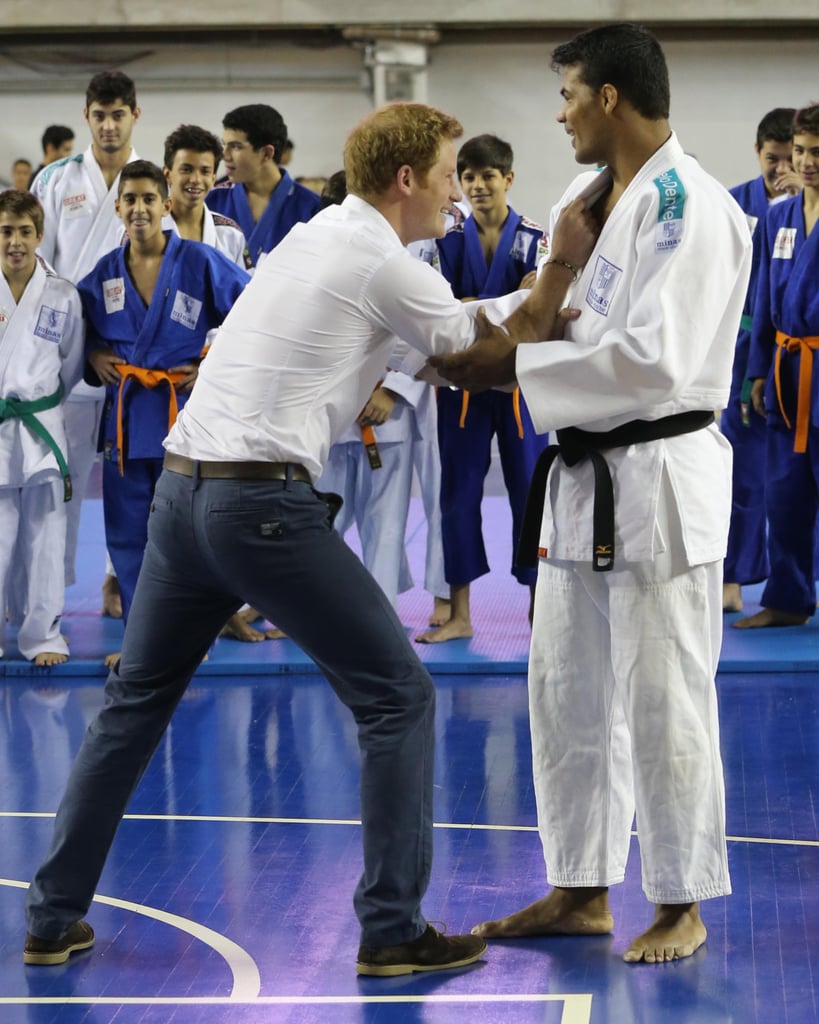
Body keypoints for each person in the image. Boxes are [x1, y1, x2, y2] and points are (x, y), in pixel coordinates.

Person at [22, 101, 555, 976]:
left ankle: (51, 918)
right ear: (407, 179)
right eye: (449, 175)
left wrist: (528, 304)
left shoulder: (317, 238)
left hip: (184, 492)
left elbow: (447, 328)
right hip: (257, 508)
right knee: (399, 698)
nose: (459, 199)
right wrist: (566, 271)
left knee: (132, 708)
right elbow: (474, 347)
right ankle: (391, 929)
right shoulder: (381, 259)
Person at [429, 23, 752, 963]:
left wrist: (515, 368)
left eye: (568, 93)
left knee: (663, 698)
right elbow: (552, 303)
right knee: (565, 692)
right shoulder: (583, 196)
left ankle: (681, 900)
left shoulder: (689, 209)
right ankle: (580, 887)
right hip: (579, 477)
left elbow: (654, 362)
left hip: (655, 480)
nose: (560, 111)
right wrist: (469, 338)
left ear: (609, 96)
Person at [76, 160, 249, 664]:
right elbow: (78, 332)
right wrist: (92, 354)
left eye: (149, 199)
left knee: (189, 534)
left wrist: (213, 362)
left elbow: (252, 309)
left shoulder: (198, 261)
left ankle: (192, 639)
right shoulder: (103, 274)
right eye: (130, 200)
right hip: (126, 424)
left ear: (166, 206)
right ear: (117, 208)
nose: (139, 208)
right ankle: (141, 643)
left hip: (185, 419)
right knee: (129, 536)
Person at [419, 134, 549, 644]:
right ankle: (461, 614)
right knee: (458, 494)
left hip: (521, 387)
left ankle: (542, 610)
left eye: (487, 176)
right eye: (467, 176)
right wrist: (502, 302)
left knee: (531, 494)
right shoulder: (447, 240)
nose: (476, 186)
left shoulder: (536, 237)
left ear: (508, 179)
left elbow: (537, 309)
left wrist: (474, 304)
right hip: (464, 387)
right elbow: (439, 311)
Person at [30, 70, 143, 620]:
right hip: (70, 354)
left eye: (118, 113)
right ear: (86, 117)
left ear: (134, 117)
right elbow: (39, 267)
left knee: (131, 478)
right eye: (99, 114)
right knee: (64, 478)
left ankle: (118, 582)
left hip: (135, 353)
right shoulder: (55, 180)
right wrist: (79, 345)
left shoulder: (149, 179)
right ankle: (50, 592)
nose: (108, 124)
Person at [738, 104, 819, 628]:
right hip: (790, 372)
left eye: (817, 152)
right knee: (784, 493)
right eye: (803, 151)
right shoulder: (778, 218)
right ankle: (788, 599)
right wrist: (756, 373)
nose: (807, 162)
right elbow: (764, 297)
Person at [721, 108, 800, 614]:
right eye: (772, 158)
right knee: (741, 471)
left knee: (799, 475)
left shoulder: (810, 205)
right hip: (744, 348)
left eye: (789, 158)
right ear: (757, 152)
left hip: (798, 350)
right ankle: (733, 578)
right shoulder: (732, 205)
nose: (780, 168)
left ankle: (800, 582)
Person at [0, 190, 84, 665]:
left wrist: (42, 402)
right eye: (6, 231)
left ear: (40, 235)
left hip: (42, 424)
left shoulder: (62, 294)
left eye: (24, 232)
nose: (15, 241)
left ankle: (43, 635)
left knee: (47, 535)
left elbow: (70, 365)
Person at [206, 104, 320, 268]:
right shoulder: (211, 202)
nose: (225, 155)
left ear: (267, 153)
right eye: (225, 145)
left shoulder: (312, 208)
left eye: (236, 146)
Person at [161, 124, 249, 269]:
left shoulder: (231, 235)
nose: (196, 179)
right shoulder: (143, 228)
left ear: (213, 178)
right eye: (186, 169)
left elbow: (247, 288)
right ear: (167, 174)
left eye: (205, 171)